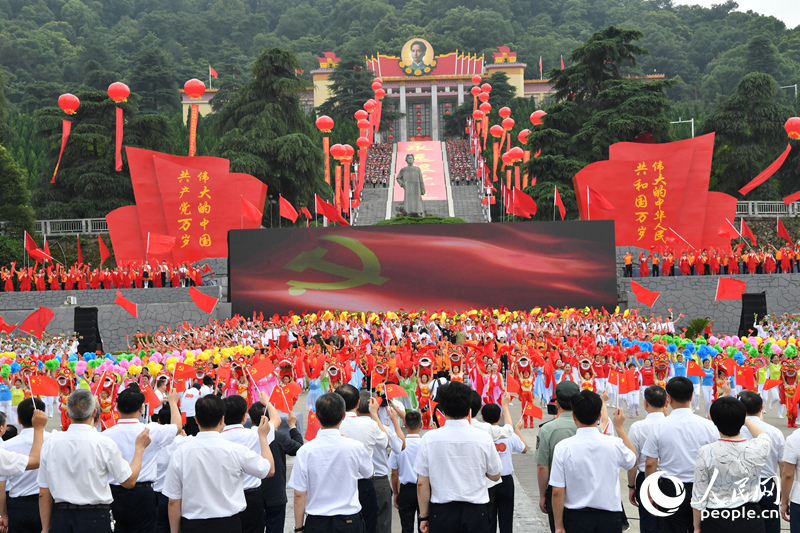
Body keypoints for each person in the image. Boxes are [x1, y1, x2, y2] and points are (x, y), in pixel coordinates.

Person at [38, 388, 152, 533]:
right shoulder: (103, 442)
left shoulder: (51, 443)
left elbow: (43, 492)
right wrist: (139, 448)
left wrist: (45, 528)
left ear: (67, 413)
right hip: (95, 517)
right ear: (94, 413)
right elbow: (129, 481)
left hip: (62, 516)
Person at [163, 394, 275, 533]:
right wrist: (263, 437)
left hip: (193, 525)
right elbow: (268, 470)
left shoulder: (181, 452)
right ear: (222, 419)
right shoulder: (235, 450)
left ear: (196, 419)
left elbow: (173, 501)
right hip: (227, 524)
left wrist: (175, 531)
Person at [414, 381, 502, 533]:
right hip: (475, 511)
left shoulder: (429, 439)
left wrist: (424, 516)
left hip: (442, 513)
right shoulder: (483, 437)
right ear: (469, 406)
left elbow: (422, 483)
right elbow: (495, 475)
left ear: (442, 407)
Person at [550, 390, 637, 533]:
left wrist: (558, 526)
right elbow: (633, 461)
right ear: (599, 416)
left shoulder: (563, 447)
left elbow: (557, 491)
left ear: (574, 416)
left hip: (577, 518)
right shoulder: (614, 444)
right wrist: (620, 428)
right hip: (609, 518)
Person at [642, 377, 719, 533]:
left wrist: (650, 493)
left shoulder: (659, 426)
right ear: (691, 396)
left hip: (670, 488)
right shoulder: (708, 426)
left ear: (668, 398)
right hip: (701, 487)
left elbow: (650, 463)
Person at [289, 393, 373, 533]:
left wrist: (298, 528)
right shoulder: (355, 446)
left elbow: (299, 494)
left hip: (317, 521)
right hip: (349, 521)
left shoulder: (305, 451)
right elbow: (369, 473)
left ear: (316, 417)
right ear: (343, 416)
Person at [103, 384, 181, 533]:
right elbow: (177, 427)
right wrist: (172, 402)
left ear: (117, 409)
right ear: (141, 409)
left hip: (114, 493)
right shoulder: (151, 430)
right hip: (143, 494)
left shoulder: (106, 435)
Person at [692, 396, 771, 533]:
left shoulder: (706, 451)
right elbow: (763, 436)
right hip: (750, 517)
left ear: (715, 422)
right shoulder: (757, 448)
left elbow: (699, 494)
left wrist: (697, 526)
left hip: (717, 519)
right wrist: (744, 419)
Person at [220, 394, 279, 533]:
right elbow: (276, 420)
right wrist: (267, 403)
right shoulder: (256, 434)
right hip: (252, 497)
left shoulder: (218, 439)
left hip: (225, 495)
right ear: (244, 417)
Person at [336, 384, 388, 533]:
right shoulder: (370, 424)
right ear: (358, 403)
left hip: (340, 483)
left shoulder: (332, 425)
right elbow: (385, 442)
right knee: (369, 525)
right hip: (364, 483)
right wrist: (375, 415)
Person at [248, 401, 304, 533]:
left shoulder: (247, 437)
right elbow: (299, 448)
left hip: (253, 494)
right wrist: (292, 426)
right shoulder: (279, 437)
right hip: (275, 493)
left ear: (250, 420)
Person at [534, 380, 580, 533]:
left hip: (556, 490)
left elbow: (542, 466)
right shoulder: (593, 427)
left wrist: (542, 495)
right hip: (584, 489)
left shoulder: (547, 429)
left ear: (557, 404)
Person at [738, 391, 784, 533]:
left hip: (739, 485)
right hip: (767, 487)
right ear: (761, 407)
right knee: (769, 526)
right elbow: (783, 467)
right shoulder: (775, 433)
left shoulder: (732, 430)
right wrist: (783, 492)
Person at [0, 398, 48, 533]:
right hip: (47, 503)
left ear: (19, 420)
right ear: (43, 417)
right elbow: (35, 461)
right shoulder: (54, 440)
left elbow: (1, 485)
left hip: (17, 506)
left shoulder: (6, 446)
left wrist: (3, 514)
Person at [626, 385, 667, 533]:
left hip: (645, 478)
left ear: (645, 403)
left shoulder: (638, 427)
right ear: (665, 403)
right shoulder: (672, 425)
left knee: (649, 523)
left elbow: (633, 461)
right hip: (671, 478)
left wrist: (631, 486)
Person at [481, 403, 527, 533]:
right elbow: (524, 449)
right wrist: (518, 431)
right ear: (499, 416)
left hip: (489, 480)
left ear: (483, 418)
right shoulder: (509, 434)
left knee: (489, 519)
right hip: (506, 481)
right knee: (506, 519)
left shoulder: (482, 435)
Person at [390, 410, 423, 533]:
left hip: (406, 489)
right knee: (424, 525)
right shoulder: (425, 444)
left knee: (406, 526)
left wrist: (396, 492)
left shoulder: (399, 444)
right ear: (421, 424)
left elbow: (394, 473)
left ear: (405, 424)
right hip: (423, 488)